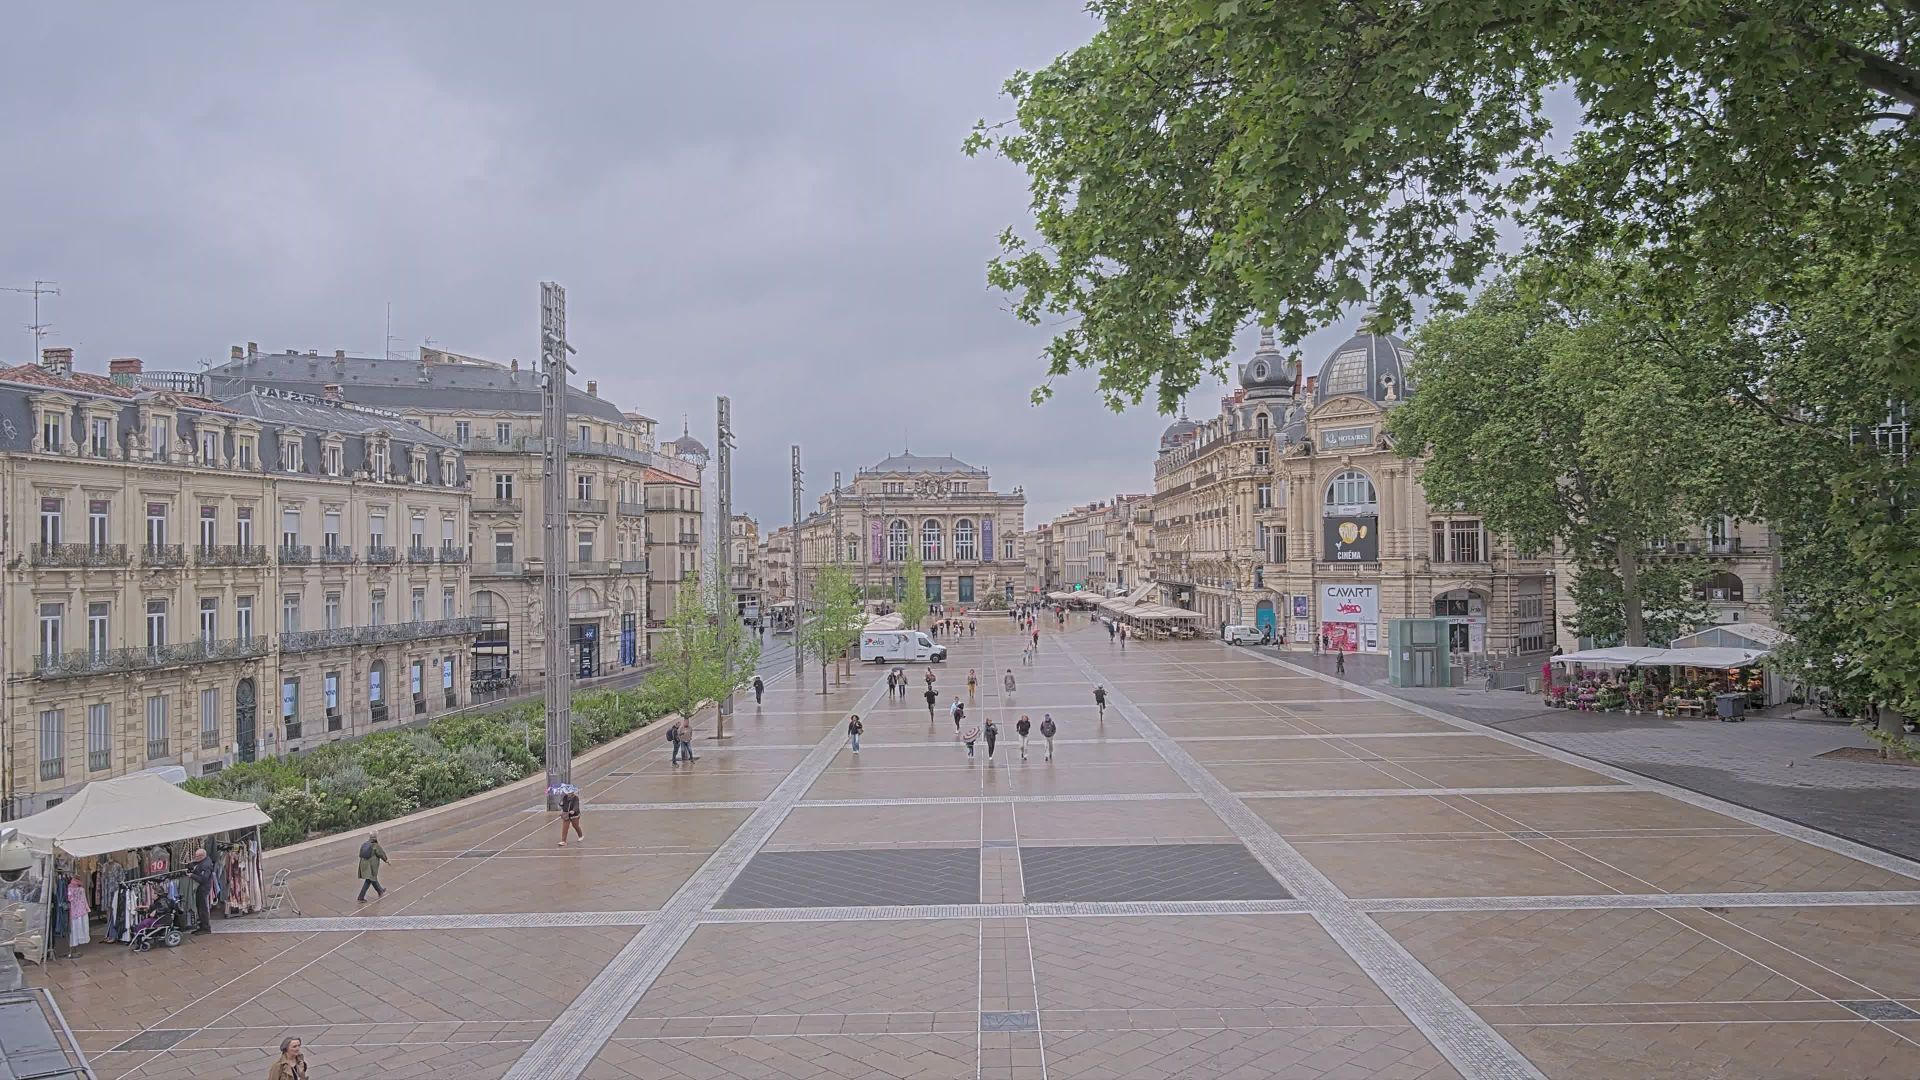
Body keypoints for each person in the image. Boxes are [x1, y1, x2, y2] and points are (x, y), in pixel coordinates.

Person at [187, 846, 215, 934]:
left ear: (202, 856)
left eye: (197, 856)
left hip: (203, 888)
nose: (195, 858)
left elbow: (204, 879)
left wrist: (192, 875)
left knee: (202, 908)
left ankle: (206, 928)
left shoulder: (206, 865)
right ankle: (202, 926)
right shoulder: (203, 861)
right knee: (199, 907)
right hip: (200, 887)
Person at [356, 833, 389, 903]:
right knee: (369, 879)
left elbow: (360, 854)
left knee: (372, 878)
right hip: (371, 865)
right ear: (375, 837)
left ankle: (380, 890)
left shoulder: (365, 844)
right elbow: (381, 853)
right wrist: (386, 860)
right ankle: (361, 897)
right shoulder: (375, 845)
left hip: (363, 864)